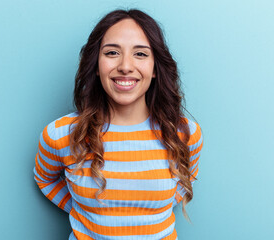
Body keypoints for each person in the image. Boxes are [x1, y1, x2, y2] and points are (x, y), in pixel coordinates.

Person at [33, 9, 203, 240]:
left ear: (155, 68)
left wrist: (153, 210)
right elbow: (45, 178)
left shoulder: (184, 134)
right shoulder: (61, 134)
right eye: (112, 52)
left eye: (140, 54)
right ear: (96, 64)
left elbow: (187, 178)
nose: (125, 66)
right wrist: (84, 211)